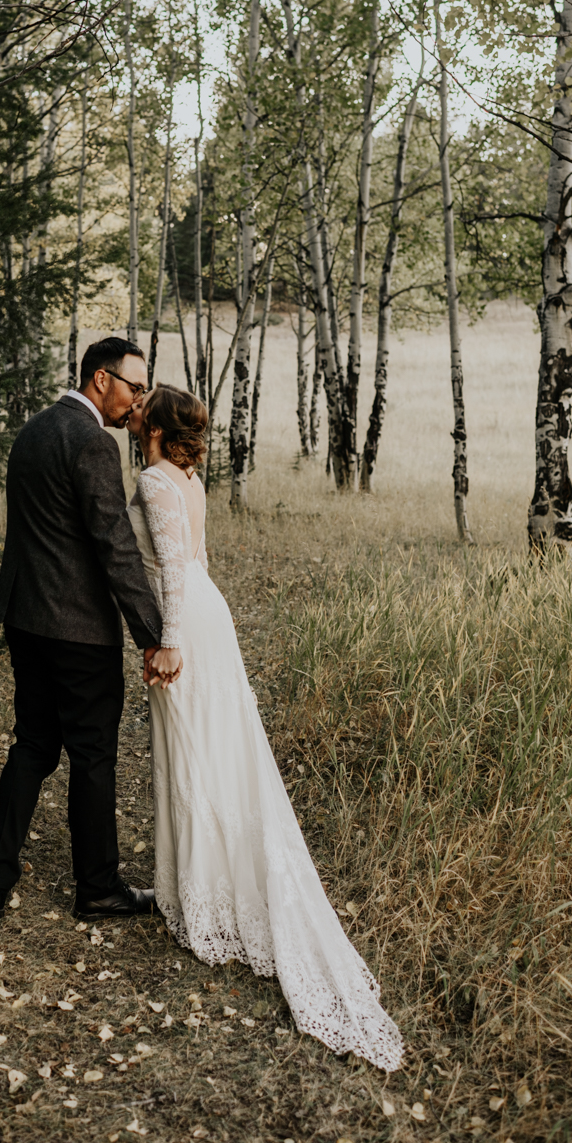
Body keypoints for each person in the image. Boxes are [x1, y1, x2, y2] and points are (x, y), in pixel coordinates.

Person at [127, 384, 403, 1071]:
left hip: (186, 624)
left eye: (142, 411)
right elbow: (199, 563)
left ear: (157, 428)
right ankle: (200, 885)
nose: (133, 416)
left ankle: (204, 900)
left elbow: (170, 569)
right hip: (206, 614)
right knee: (214, 750)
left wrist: (167, 641)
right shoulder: (187, 479)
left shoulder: (155, 479)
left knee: (194, 752)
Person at [0, 337, 177, 923]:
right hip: (78, 630)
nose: (138, 401)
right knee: (93, 756)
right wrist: (154, 635)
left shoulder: (33, 430)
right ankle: (98, 889)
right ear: (100, 380)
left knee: (33, 745)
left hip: (24, 617)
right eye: (134, 388)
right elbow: (115, 548)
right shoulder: (91, 442)